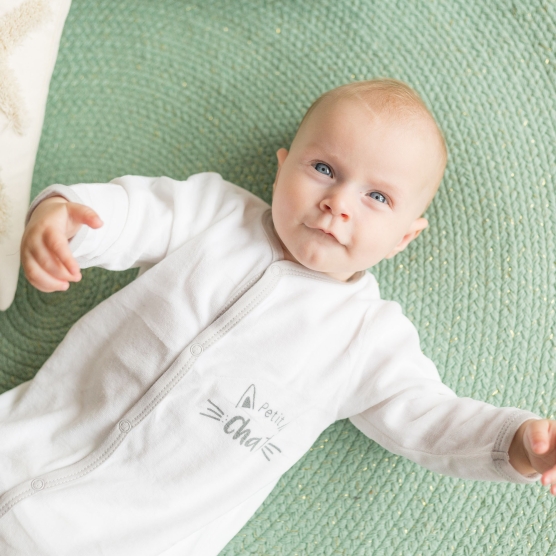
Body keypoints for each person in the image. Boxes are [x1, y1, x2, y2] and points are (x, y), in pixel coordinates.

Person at [3, 78, 556, 555]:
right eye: (323, 168)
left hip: (128, 541)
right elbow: (135, 212)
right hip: (20, 443)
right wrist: (63, 218)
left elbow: (431, 420)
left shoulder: (366, 338)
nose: (338, 202)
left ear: (404, 238)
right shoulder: (215, 215)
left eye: (378, 198)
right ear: (281, 166)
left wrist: (518, 443)